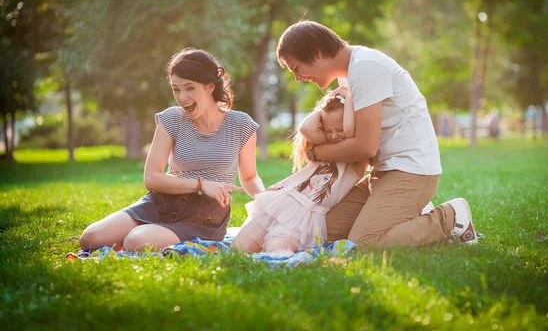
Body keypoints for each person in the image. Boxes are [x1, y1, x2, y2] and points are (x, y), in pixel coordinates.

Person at [275, 20, 478, 249]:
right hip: (381, 173)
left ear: (317, 52)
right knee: (325, 234)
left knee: (364, 244)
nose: (297, 77)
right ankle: (412, 213)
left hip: (411, 170)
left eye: (296, 68)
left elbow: (365, 147)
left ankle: (450, 217)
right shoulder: (349, 75)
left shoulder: (366, 68)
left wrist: (315, 152)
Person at [79, 48, 265, 252]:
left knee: (136, 242)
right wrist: (202, 184)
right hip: (162, 202)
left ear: (209, 87)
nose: (182, 97)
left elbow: (249, 176)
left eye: (189, 88)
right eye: (176, 89)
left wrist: (267, 202)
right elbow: (151, 178)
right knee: (90, 239)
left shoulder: (241, 124)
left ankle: (147, 235)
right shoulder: (172, 119)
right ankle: (153, 232)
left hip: (205, 215)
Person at [231, 89, 369, 253]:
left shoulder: (356, 160)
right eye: (328, 130)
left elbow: (350, 129)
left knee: (276, 253)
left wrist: (348, 98)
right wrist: (323, 107)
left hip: (305, 215)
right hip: (283, 200)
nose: (334, 136)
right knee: (237, 249)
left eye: (339, 130)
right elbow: (306, 129)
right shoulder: (326, 144)